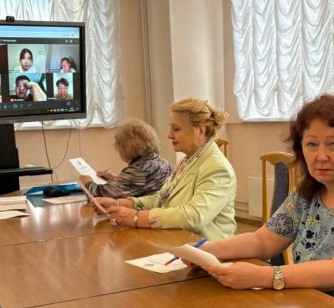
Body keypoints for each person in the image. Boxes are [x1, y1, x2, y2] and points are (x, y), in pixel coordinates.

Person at [195, 95, 334, 308]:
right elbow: (263, 241)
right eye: (311, 144)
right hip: (318, 304)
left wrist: (264, 276)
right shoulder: (311, 189)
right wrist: (206, 250)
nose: (321, 156)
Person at [97, 98, 236, 240]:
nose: (169, 135)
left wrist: (136, 218)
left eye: (176, 129)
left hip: (205, 249)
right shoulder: (188, 160)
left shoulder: (217, 168)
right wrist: (119, 203)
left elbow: (194, 217)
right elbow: (161, 198)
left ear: (200, 130)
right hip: (179, 242)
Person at [81, 119, 173, 198]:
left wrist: (87, 182)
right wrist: (115, 178)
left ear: (126, 146)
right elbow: (138, 185)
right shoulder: (162, 162)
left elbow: (101, 195)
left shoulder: (139, 170)